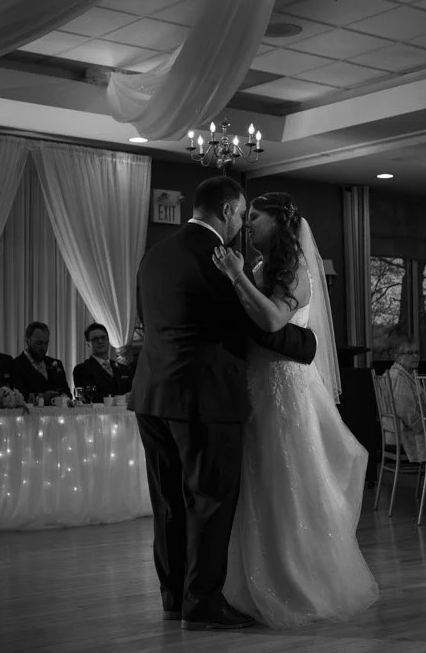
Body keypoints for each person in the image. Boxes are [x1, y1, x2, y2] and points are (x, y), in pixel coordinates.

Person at [131, 177, 318, 632]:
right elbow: (258, 326)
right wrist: (306, 343)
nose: (242, 224)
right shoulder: (217, 261)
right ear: (228, 209)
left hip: (152, 395)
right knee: (210, 501)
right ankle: (203, 604)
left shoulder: (155, 254)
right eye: (241, 214)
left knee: (169, 504)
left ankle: (173, 598)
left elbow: (145, 319)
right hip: (203, 398)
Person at [210, 192, 378, 628]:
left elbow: (270, 321)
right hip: (256, 385)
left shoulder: (297, 271)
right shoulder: (265, 268)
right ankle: (251, 580)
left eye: (257, 217)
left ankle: (295, 583)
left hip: (284, 388)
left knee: (285, 480)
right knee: (258, 481)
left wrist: (235, 277)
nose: (248, 225)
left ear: (281, 222)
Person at [10, 321, 70, 403]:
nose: (43, 348)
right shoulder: (16, 365)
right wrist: (41, 398)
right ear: (27, 341)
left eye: (46, 343)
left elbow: (67, 394)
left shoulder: (56, 364)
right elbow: (18, 397)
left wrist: (62, 396)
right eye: (39, 343)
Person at [71, 322, 132, 403]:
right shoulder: (82, 369)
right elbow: (86, 399)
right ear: (88, 344)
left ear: (108, 340)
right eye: (95, 339)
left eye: (103, 337)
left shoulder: (124, 369)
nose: (100, 341)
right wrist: (121, 399)